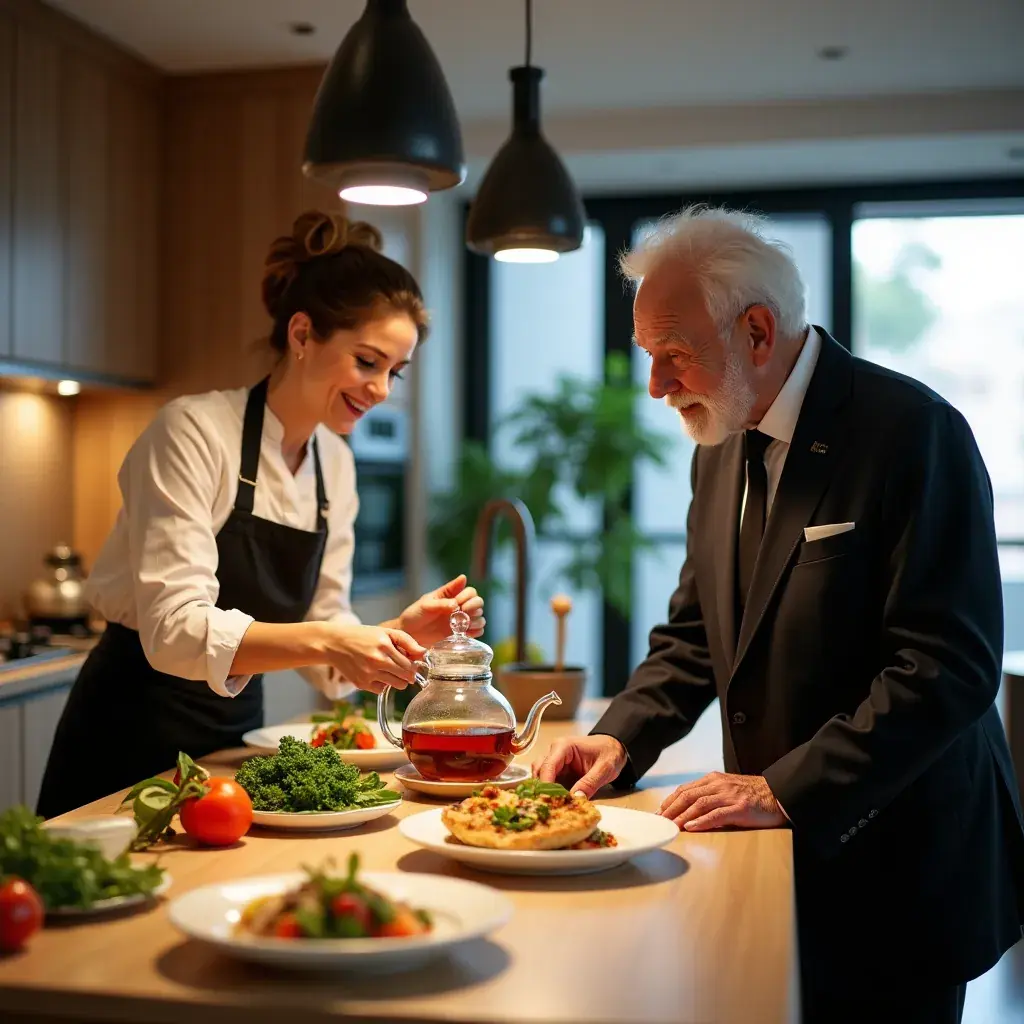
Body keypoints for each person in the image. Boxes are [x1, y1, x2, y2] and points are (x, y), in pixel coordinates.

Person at [534, 206, 1024, 1023]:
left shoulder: (912, 429)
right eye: (649, 356)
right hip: (773, 856)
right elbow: (697, 635)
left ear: (757, 332)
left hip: (899, 867)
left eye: (673, 355)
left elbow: (947, 667)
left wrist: (784, 789)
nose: (656, 385)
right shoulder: (720, 440)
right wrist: (621, 735)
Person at [37, 209, 484, 820]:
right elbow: (173, 632)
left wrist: (389, 636)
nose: (381, 389)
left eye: (394, 371)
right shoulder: (193, 432)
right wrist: (333, 639)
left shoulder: (335, 463)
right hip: (129, 732)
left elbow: (328, 636)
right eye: (367, 361)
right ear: (302, 335)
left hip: (231, 745)